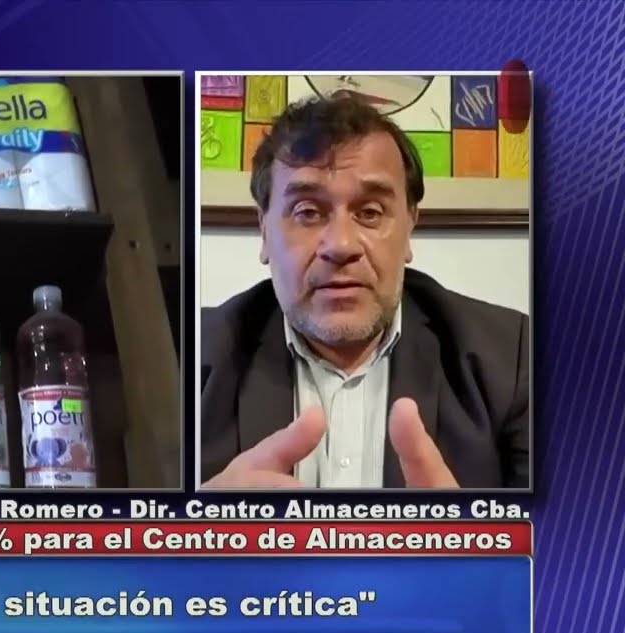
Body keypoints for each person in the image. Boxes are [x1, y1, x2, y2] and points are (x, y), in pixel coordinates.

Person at [200, 95, 529, 490]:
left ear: (409, 226)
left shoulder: (513, 360)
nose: (341, 245)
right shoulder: (190, 357)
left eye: (370, 212)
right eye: (307, 212)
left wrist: (483, 530)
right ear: (264, 231)